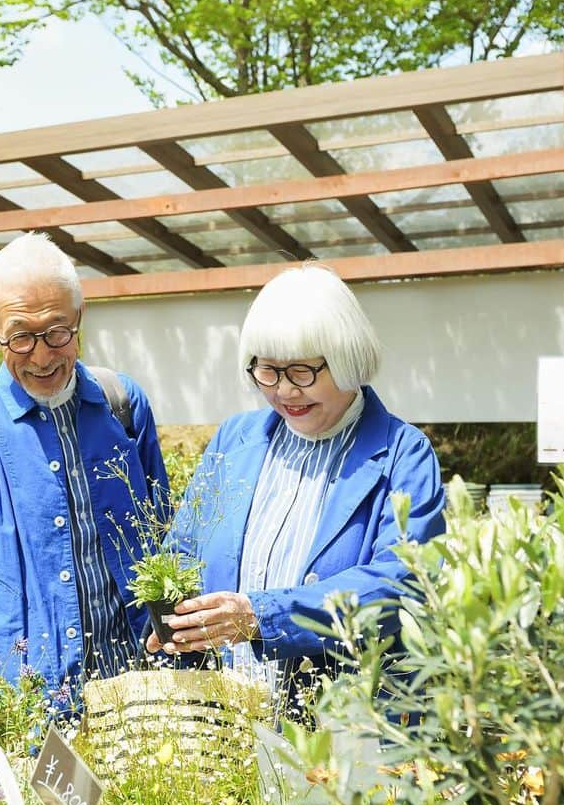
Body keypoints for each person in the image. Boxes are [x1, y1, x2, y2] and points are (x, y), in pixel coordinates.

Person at [146, 263, 445, 701]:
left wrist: (261, 616)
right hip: (229, 720)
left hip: (341, 728)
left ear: (347, 360)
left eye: (302, 372)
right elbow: (184, 552)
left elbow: (402, 582)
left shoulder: (403, 453)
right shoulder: (235, 439)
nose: (284, 391)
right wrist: (173, 619)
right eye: (267, 371)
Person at [0, 232, 169, 694]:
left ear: (79, 316)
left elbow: (166, 538)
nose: (42, 355)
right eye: (20, 337)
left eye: (57, 332)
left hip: (138, 685)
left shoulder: (123, 405)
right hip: (28, 704)